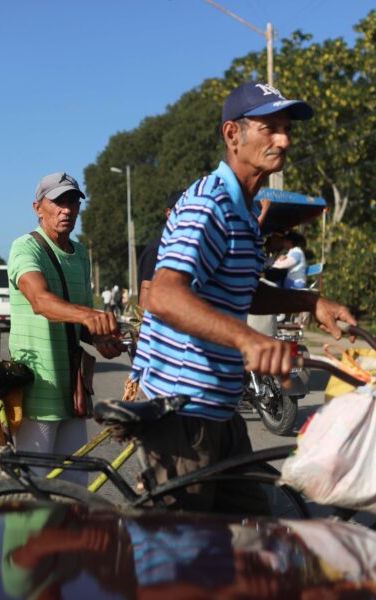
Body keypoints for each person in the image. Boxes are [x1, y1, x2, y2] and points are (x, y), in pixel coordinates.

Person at [133, 81, 356, 513]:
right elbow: (163, 295)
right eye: (270, 127)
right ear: (232, 135)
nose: (284, 139)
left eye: (287, 128)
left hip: (219, 407)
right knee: (186, 558)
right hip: (183, 411)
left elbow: (243, 291)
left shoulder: (244, 211)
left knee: (256, 527)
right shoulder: (209, 205)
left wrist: (311, 302)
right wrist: (249, 340)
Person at [7, 171, 123, 483]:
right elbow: (41, 301)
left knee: (74, 486)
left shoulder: (81, 254)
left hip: (73, 390)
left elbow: (80, 321)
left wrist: (100, 338)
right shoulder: (25, 248)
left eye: (73, 201)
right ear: (37, 207)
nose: (67, 209)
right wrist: (89, 316)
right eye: (58, 202)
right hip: (38, 387)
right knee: (34, 488)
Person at [137, 191, 183, 309]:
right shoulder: (156, 249)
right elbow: (144, 304)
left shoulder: (181, 247)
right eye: (182, 208)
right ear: (169, 213)